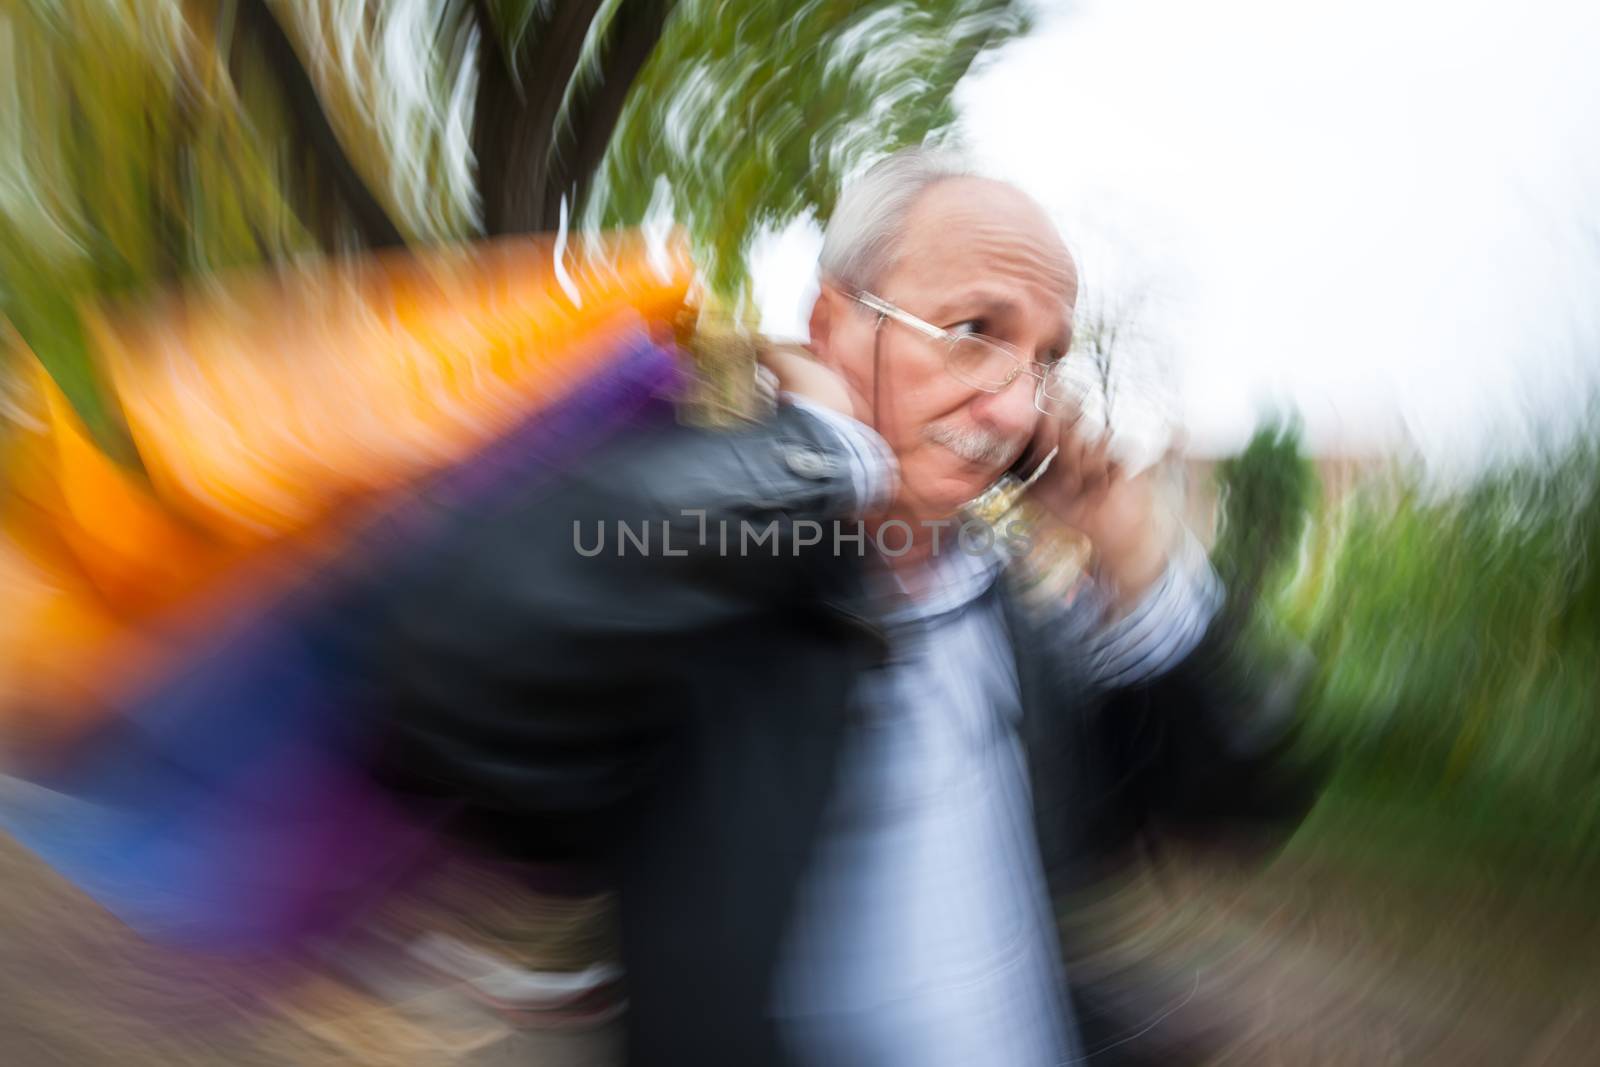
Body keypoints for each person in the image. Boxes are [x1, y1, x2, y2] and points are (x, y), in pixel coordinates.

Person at [358, 147, 1314, 1065]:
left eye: (1044, 359)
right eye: (975, 331)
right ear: (835, 328)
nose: (1020, 411)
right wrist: (824, 456)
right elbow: (451, 668)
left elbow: (1228, 796)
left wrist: (1137, 557)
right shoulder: (700, 575)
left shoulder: (1006, 613)